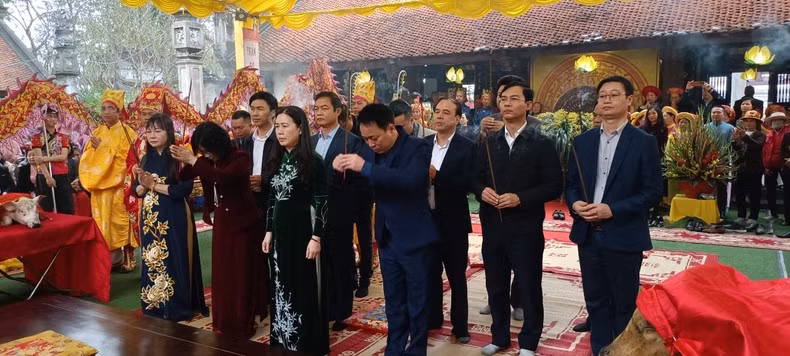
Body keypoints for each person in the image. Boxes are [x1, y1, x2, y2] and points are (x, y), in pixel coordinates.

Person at [566, 76, 663, 356]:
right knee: (595, 300)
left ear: (629, 100)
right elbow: (571, 184)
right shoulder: (582, 141)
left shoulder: (643, 142)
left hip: (623, 232)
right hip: (588, 233)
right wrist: (575, 205)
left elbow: (653, 191)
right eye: (602, 96)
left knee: (623, 303)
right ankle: (599, 350)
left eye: (614, 95)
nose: (606, 100)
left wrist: (613, 209)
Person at [332, 103, 438, 355]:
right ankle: (394, 349)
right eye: (366, 138)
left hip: (415, 238)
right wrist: (342, 169)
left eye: (374, 138)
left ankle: (417, 350)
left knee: (417, 303)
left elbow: (410, 181)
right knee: (394, 303)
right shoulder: (369, 151)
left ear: (391, 128)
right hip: (387, 239)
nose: (370, 144)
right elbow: (360, 181)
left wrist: (364, 167)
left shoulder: (418, 147)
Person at [474, 77, 563, 356]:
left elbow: (553, 185)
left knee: (528, 284)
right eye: (503, 99)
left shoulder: (541, 143)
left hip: (525, 226)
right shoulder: (490, 143)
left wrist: (520, 198)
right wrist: (482, 191)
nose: (507, 104)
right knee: (495, 284)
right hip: (493, 225)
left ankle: (528, 343)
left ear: (527, 105)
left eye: (514, 99)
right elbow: (474, 179)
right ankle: (499, 336)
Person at [172, 121, 261, 339]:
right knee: (222, 273)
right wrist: (180, 161)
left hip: (243, 222)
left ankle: (242, 323)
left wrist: (194, 159)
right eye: (201, 151)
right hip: (222, 220)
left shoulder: (240, 158)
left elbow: (222, 177)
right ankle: (223, 321)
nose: (205, 155)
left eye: (207, 150)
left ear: (218, 144)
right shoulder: (205, 160)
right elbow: (182, 178)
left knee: (240, 274)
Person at [261, 106, 329, 354]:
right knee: (280, 284)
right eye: (277, 126)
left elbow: (323, 201)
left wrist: (316, 238)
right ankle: (283, 337)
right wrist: (268, 232)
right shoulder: (276, 159)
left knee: (302, 285)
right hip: (280, 237)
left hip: (303, 233)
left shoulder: (314, 162)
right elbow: (271, 200)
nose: (280, 131)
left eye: (285, 126)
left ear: (300, 129)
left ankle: (306, 342)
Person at [132, 113, 207, 321]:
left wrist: (153, 185)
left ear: (169, 132)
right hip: (150, 217)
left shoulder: (178, 156)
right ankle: (154, 305)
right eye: (149, 131)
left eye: (158, 130)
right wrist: (141, 183)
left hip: (174, 214)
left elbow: (182, 190)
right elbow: (135, 190)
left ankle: (178, 307)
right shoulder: (146, 158)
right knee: (151, 258)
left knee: (175, 257)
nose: (152, 135)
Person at [311, 91, 367, 330]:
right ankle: (322, 306)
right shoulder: (310, 141)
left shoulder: (351, 141)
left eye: (324, 108)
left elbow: (358, 181)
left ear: (337, 111)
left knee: (340, 260)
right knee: (319, 260)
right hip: (314, 210)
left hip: (339, 208)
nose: (319, 113)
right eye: (316, 109)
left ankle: (341, 311)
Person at [425, 97, 475, 343]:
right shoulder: (423, 144)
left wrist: (437, 176)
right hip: (426, 220)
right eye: (437, 111)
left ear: (457, 118)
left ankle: (460, 325)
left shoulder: (467, 147)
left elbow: (469, 183)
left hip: (453, 221)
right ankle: (433, 317)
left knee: (456, 275)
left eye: (446, 112)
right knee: (429, 272)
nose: (440, 116)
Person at [79, 89, 138, 272]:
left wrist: (104, 149)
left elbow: (129, 160)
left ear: (119, 111)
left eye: (109, 108)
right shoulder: (97, 132)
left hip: (118, 185)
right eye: (103, 108)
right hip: (99, 187)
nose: (105, 112)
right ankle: (110, 260)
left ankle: (129, 258)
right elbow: (87, 158)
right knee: (103, 224)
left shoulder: (128, 133)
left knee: (121, 222)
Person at [237, 91, 277, 320]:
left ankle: (274, 296)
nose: (255, 113)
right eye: (252, 108)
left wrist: (265, 181)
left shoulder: (280, 139)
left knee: (273, 252)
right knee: (253, 254)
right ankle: (259, 300)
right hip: (250, 203)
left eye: (260, 108)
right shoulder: (246, 141)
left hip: (273, 201)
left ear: (272, 112)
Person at [30, 104, 74, 214]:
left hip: (62, 174)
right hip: (44, 175)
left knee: (66, 206)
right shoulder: (36, 137)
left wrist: (45, 158)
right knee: (46, 208)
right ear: (43, 117)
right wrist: (48, 177)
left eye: (55, 116)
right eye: (49, 116)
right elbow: (38, 158)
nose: (52, 119)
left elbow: (63, 156)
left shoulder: (63, 137)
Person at [732, 110, 766, 231]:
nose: (748, 123)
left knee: (754, 194)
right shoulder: (742, 134)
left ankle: (753, 217)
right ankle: (741, 215)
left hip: (755, 169)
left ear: (757, 123)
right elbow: (737, 150)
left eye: (751, 121)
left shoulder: (760, 135)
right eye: (746, 121)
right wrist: (734, 141)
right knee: (739, 193)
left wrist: (744, 137)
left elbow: (757, 146)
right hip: (741, 168)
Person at [705, 105, 736, 219]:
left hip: (723, 160)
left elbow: (732, 145)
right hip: (706, 160)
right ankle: (707, 210)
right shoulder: (705, 127)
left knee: (722, 186)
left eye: (718, 112)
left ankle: (722, 210)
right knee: (706, 186)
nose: (715, 114)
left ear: (723, 115)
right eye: (713, 113)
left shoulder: (730, 128)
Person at [763, 110, 790, 222]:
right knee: (770, 190)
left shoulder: (788, 132)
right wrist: (765, 166)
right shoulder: (769, 134)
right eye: (774, 120)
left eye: (779, 119)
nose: (776, 122)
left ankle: (787, 216)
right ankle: (773, 214)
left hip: (786, 165)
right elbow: (764, 151)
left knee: (787, 191)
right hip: (770, 165)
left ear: (784, 121)